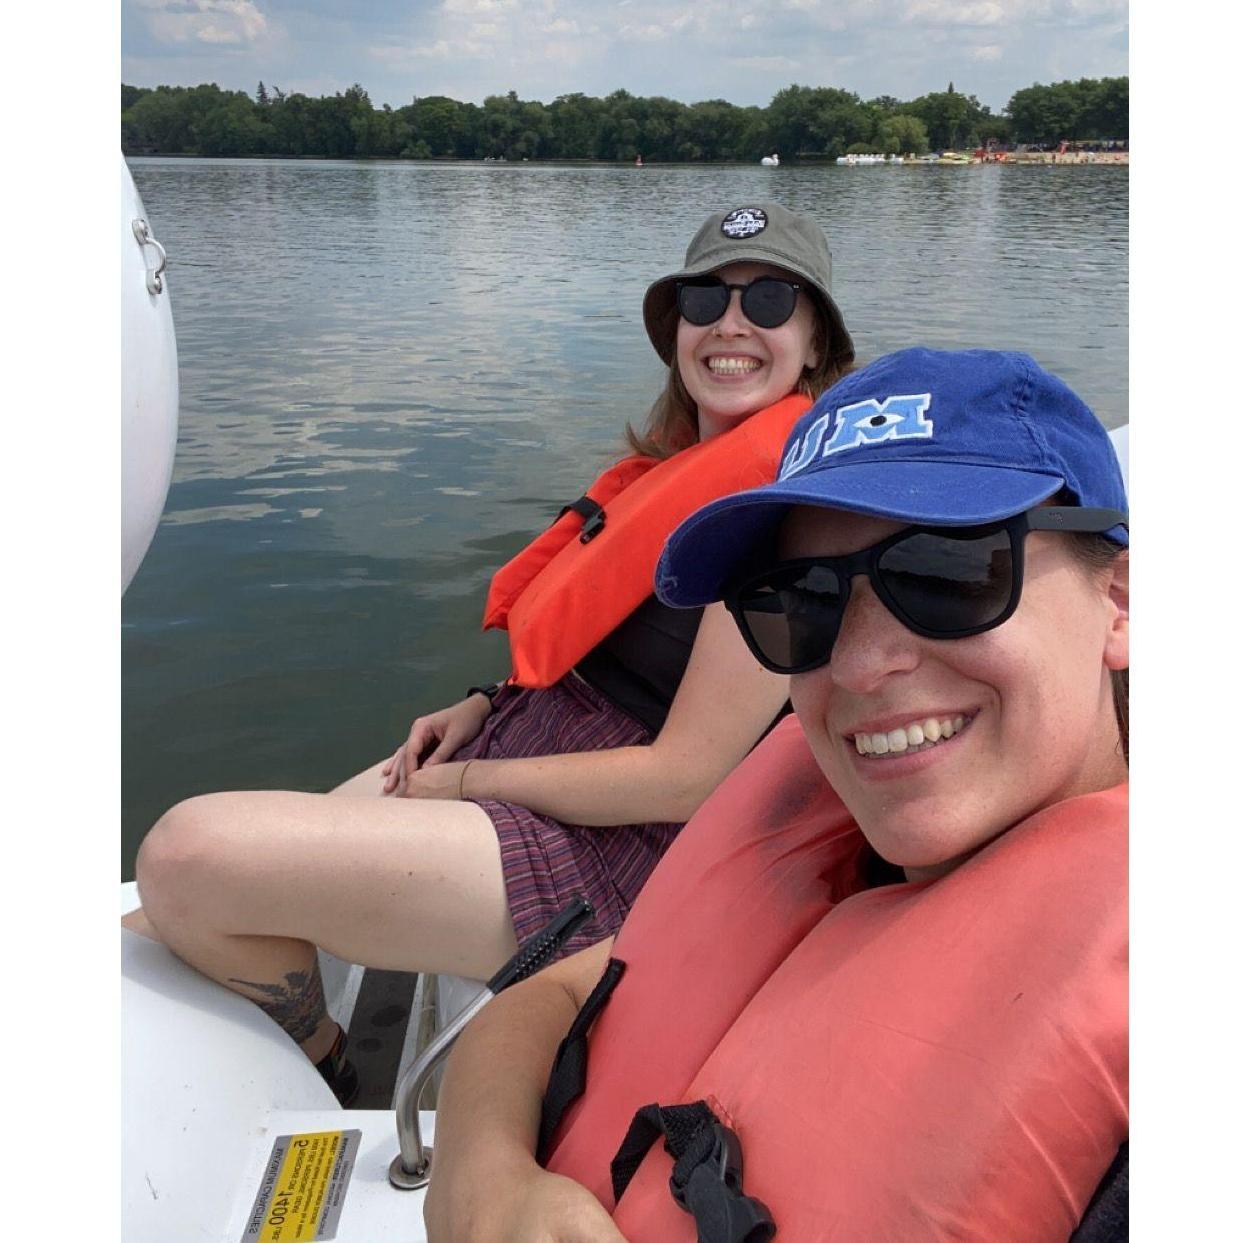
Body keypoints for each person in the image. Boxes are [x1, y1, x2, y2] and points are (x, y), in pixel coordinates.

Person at [125, 203, 856, 1104]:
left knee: (185, 855)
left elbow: (686, 777)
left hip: (620, 850)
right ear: (677, 332)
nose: (731, 324)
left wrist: (465, 784)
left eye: (772, 299)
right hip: (526, 746)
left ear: (816, 337)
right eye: (705, 299)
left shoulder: (783, 520)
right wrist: (484, 701)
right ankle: (318, 1045)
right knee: (161, 917)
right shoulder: (672, 474)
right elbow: (594, 642)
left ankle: (323, 1057)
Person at [424, 348, 1129, 1242]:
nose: (862, 665)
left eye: (949, 573)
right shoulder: (829, 823)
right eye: (801, 604)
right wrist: (486, 1180)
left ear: (1123, 599)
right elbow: (551, 995)